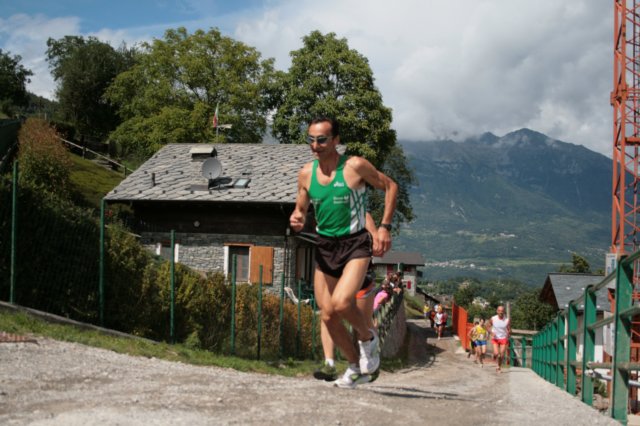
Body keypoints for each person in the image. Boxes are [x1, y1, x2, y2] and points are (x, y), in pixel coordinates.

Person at [289, 116, 398, 389]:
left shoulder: (354, 166)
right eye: (311, 139)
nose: (315, 145)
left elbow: (390, 186)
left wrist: (384, 227)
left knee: (340, 303)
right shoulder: (306, 173)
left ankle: (368, 339)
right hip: (325, 246)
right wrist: (297, 218)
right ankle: (354, 367)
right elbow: (300, 209)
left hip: (354, 244)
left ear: (336, 140)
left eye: (322, 139)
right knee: (327, 315)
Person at [313, 213, 381, 383]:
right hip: (333, 269)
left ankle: (370, 361)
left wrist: (374, 236)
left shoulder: (356, 209)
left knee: (362, 320)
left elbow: (365, 216)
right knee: (327, 314)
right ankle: (330, 363)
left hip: (359, 273)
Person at [487, 305, 510, 373]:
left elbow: (509, 329)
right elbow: (487, 326)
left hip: (503, 338)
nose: (500, 312)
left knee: (501, 354)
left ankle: (498, 367)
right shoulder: (493, 318)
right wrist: (491, 333)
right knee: (496, 353)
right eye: (499, 311)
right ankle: (494, 355)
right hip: (495, 338)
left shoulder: (507, 320)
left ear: (504, 312)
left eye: (502, 311)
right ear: (497, 311)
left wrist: (508, 334)